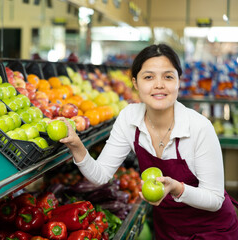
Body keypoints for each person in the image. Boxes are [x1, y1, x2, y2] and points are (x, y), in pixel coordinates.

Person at [59, 43, 238, 239]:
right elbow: (100, 175)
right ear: (135, 83)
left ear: (179, 80)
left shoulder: (199, 127)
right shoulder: (129, 118)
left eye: (168, 76)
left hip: (212, 230)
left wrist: (176, 188)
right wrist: (76, 145)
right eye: (149, 77)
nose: (159, 84)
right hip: (168, 229)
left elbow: (214, 199)